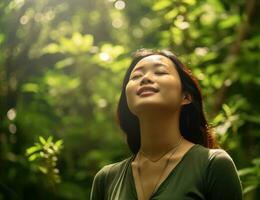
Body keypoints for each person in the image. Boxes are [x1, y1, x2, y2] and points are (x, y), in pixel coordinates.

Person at [90, 49, 243, 200]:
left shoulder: (213, 165)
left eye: (160, 72)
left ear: (186, 96)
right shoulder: (106, 179)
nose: (145, 79)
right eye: (136, 76)